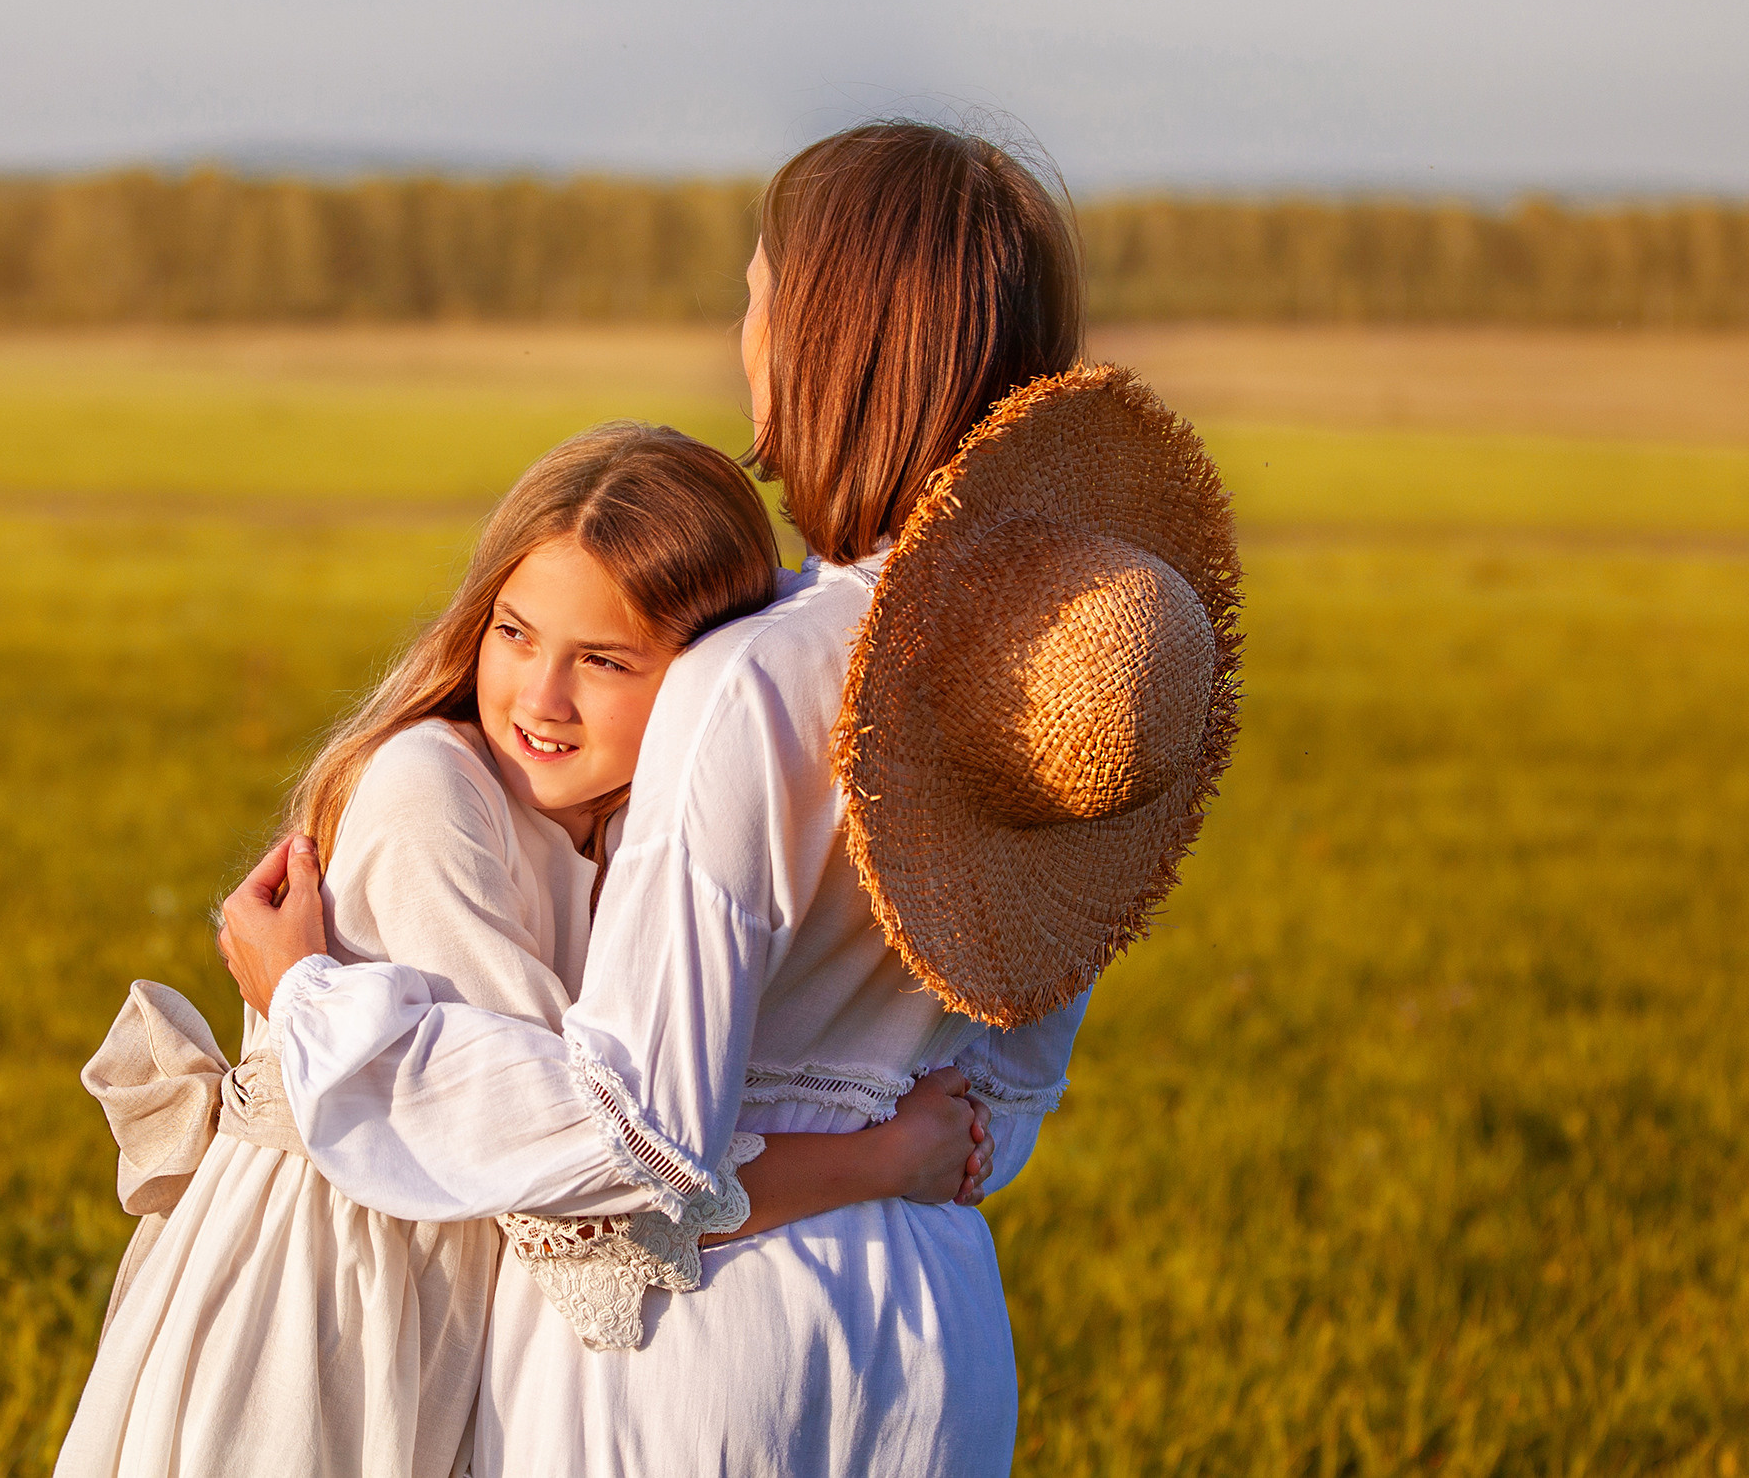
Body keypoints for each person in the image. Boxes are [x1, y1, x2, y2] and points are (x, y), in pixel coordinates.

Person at [221, 120, 1241, 1476]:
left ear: (828, 342)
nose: (743, 333)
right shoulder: (1068, 687)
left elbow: (629, 1137)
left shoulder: (754, 674)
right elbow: (997, 1111)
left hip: (705, 1344)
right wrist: (887, 1154)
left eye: (758, 294)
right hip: (937, 1327)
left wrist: (312, 1004)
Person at [61, 421, 1005, 1478]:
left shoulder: (609, 831)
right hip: (331, 1312)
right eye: (513, 634)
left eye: (602, 661)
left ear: (696, 685)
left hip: (435, 1297)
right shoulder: (434, 793)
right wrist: (881, 1160)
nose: (539, 700)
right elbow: (578, 1175)